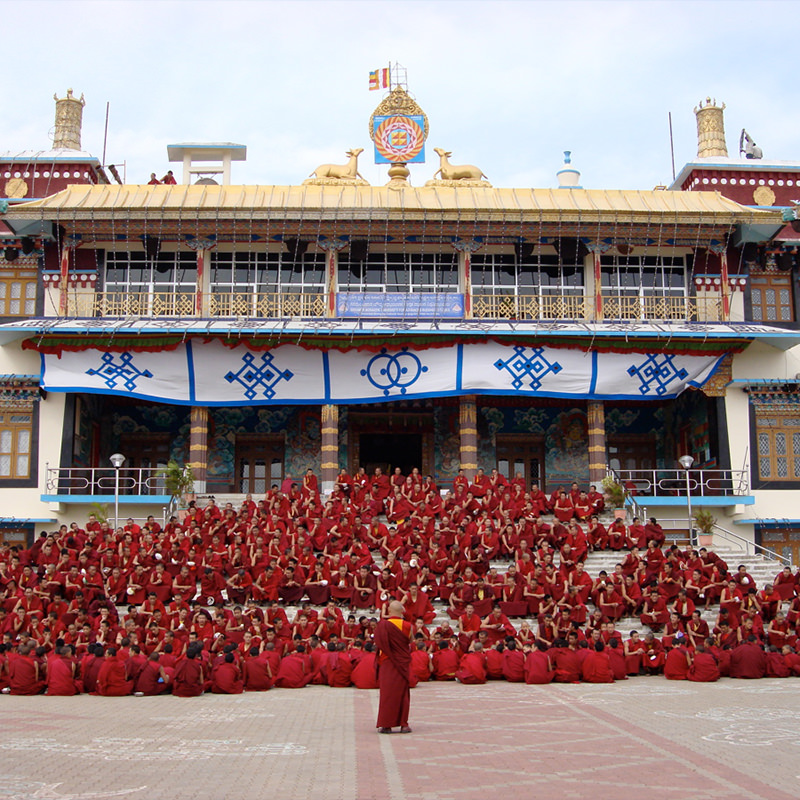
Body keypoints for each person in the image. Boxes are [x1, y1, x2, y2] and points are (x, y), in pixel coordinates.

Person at [374, 600, 413, 734]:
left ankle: (386, 725)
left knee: (387, 694)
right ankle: (404, 725)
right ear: (402, 612)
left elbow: (379, 643)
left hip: (387, 663)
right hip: (402, 664)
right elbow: (410, 641)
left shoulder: (382, 625)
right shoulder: (408, 626)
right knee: (403, 695)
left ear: (389, 611)